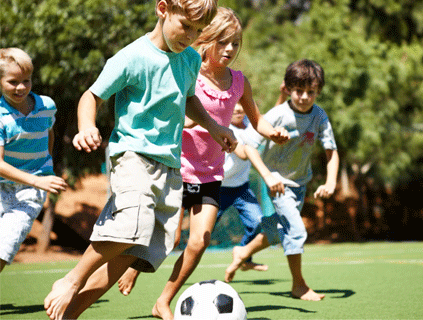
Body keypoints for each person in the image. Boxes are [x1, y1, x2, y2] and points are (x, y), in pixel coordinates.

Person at [42, 1, 238, 319]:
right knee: (132, 227)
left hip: (169, 165)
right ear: (163, 9)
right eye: (185, 26)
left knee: (135, 251)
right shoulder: (132, 57)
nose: (190, 37)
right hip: (133, 155)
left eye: (198, 31)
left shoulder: (189, 59)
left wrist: (214, 127)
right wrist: (87, 126)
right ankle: (71, 279)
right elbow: (91, 96)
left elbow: (187, 99)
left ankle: (70, 314)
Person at [114, 7, 289, 320]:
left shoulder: (239, 83)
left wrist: (272, 132)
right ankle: (133, 266)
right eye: (223, 42)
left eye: (235, 43)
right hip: (174, 167)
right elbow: (171, 115)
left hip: (210, 174)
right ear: (207, 40)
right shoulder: (188, 71)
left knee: (200, 239)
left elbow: (257, 120)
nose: (230, 50)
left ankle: (163, 300)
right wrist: (202, 124)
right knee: (165, 236)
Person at [224, 59, 340, 301]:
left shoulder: (319, 116)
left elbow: (331, 151)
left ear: (318, 91)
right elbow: (250, 148)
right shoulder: (277, 115)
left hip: (300, 182)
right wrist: (267, 176)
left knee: (278, 230)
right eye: (299, 91)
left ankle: (243, 251)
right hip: (277, 183)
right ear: (287, 88)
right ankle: (299, 285)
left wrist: (330, 182)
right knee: (296, 230)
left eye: (311, 92)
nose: (305, 97)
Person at [0, 48, 68, 273]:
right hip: (4, 187)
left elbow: (47, 133)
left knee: (5, 245)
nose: (20, 87)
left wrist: (44, 169)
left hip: (30, 193)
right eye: (12, 82)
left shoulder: (46, 106)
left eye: (26, 81)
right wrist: (38, 181)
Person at [216, 102, 286, 272]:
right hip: (215, 189)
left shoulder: (250, 128)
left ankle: (244, 257)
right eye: (235, 105)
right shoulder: (219, 127)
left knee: (256, 222)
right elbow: (243, 152)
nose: (239, 108)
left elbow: (267, 121)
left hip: (241, 188)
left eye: (242, 104)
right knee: (202, 233)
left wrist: (283, 95)